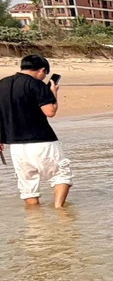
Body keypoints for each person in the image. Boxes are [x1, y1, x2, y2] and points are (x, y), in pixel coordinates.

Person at [0, 55, 71, 208]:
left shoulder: (2, 84)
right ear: (43, 70)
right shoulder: (36, 85)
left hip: (16, 145)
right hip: (42, 140)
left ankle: (34, 220)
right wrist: (53, 93)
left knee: (28, 185)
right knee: (61, 175)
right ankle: (59, 210)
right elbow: (50, 111)